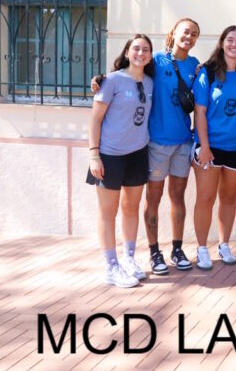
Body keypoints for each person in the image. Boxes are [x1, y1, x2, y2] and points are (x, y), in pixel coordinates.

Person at [91, 19, 201, 275]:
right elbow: (128, 73)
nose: (189, 37)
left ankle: (176, 248)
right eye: (186, 31)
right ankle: (154, 252)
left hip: (183, 141)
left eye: (194, 34)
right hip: (155, 144)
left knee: (178, 197)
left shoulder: (195, 66)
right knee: (153, 198)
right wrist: (101, 80)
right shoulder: (156, 61)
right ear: (174, 33)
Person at [87, 34, 155, 287]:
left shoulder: (150, 82)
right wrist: (94, 154)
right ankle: (111, 265)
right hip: (109, 155)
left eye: (145, 49)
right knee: (108, 212)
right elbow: (95, 119)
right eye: (136, 48)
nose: (140, 53)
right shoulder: (111, 81)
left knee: (131, 208)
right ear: (127, 52)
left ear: (150, 55)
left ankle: (128, 258)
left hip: (138, 153)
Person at [192, 26, 236, 270]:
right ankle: (201, 248)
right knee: (205, 198)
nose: (234, 45)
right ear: (222, 42)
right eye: (230, 40)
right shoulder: (206, 72)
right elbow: (200, 112)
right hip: (211, 146)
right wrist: (204, 146)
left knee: (228, 198)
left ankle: (224, 244)